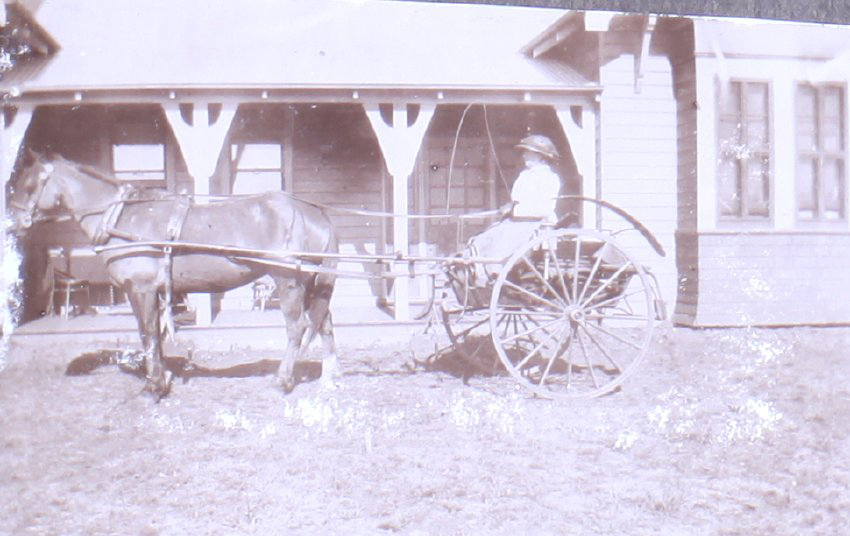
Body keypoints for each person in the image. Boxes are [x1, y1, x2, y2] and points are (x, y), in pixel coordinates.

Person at [462, 134, 563, 287]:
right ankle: (479, 275)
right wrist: (510, 207)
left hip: (535, 225)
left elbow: (544, 208)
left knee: (501, 243)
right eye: (525, 152)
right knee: (482, 239)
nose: (524, 156)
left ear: (541, 156)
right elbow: (518, 200)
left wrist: (514, 209)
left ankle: (494, 274)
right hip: (516, 223)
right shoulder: (525, 176)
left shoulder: (549, 178)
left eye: (529, 153)